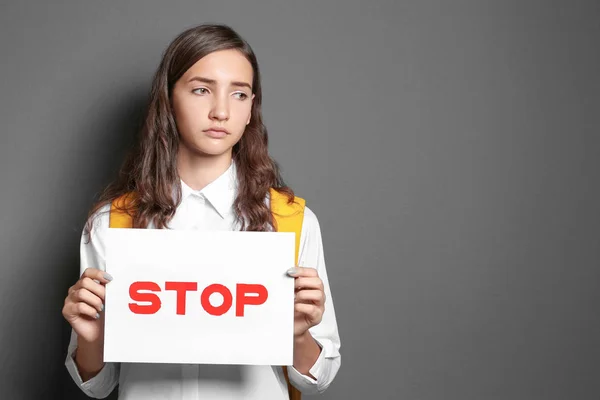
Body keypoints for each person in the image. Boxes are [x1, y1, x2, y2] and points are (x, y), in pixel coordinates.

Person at [61, 23, 341, 399]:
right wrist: (91, 337)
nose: (221, 111)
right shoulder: (111, 223)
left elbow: (317, 378)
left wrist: (299, 334)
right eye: (201, 89)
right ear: (168, 100)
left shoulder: (291, 221)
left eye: (239, 94)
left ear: (250, 110)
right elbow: (98, 385)